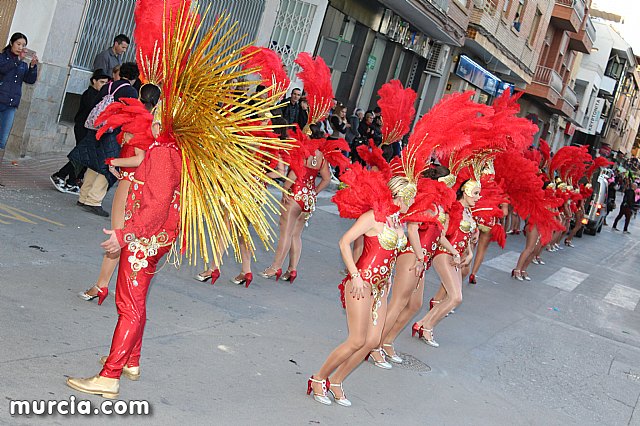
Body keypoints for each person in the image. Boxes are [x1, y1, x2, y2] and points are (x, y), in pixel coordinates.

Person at [308, 176, 414, 406]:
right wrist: (354, 275)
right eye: (410, 197)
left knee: (371, 341)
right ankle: (318, 378)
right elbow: (344, 242)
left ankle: (336, 381)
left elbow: (393, 254)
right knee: (356, 340)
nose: (412, 202)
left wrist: (388, 279)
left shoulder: (398, 221)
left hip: (380, 287)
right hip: (362, 283)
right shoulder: (373, 217)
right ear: (399, 196)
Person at [79, 84, 162, 303]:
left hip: (129, 184)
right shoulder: (154, 124)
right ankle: (126, 290)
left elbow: (139, 159)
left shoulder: (139, 121)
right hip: (142, 186)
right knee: (130, 238)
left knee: (117, 236)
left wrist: (114, 162)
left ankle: (101, 286)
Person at [260, 124, 332, 282]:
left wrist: (286, 188)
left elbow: (295, 172)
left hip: (296, 193)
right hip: (308, 199)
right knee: (296, 235)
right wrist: (314, 192)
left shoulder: (303, 150)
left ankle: (275, 267)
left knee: (285, 232)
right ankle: (292, 269)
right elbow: (327, 178)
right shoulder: (321, 156)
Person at [413, 179, 480, 347]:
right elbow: (440, 235)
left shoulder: (469, 212)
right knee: (456, 298)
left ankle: (421, 323)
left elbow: (468, 239)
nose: (479, 197)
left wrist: (470, 253)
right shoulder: (454, 209)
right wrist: (454, 251)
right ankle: (427, 328)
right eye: (476, 193)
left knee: (453, 297)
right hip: (444, 254)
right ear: (466, 191)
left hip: (456, 258)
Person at [68, 62, 140, 217]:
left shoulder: (108, 86)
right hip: (114, 133)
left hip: (97, 129)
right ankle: (94, 201)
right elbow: (131, 115)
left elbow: (95, 105)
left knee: (93, 163)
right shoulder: (131, 91)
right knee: (108, 166)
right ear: (134, 77)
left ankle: (83, 196)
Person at [50, 69, 111, 194]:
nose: (103, 85)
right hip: (82, 128)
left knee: (82, 156)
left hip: (88, 129)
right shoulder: (89, 94)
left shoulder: (99, 96)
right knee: (80, 156)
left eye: (106, 83)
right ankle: (61, 176)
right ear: (94, 81)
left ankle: (71, 181)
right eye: (101, 82)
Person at [0, 32, 38, 186]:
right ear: (11, 43)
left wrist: (33, 67)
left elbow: (29, 80)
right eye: (18, 44)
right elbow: (2, 70)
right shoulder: (4, 58)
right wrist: (18, 60)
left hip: (11, 105)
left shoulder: (22, 63)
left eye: (23, 45)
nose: (21, 48)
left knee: (2, 140)